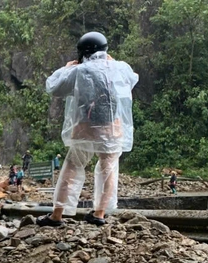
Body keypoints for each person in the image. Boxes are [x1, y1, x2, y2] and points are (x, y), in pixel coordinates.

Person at [38, 31, 138, 227]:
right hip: (112, 128)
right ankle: (99, 214)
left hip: (86, 127)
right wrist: (113, 62)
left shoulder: (79, 71)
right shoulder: (120, 68)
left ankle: (57, 214)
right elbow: (132, 79)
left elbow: (53, 87)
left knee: (73, 165)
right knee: (109, 168)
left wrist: (65, 68)